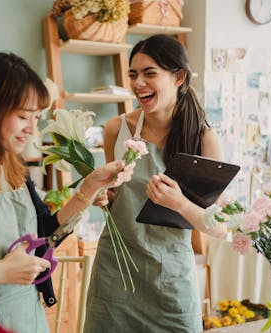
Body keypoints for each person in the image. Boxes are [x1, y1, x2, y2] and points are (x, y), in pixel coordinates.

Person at [0, 52, 132, 332]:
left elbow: (44, 235)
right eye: (23, 116)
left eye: (37, 116)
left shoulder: (13, 165)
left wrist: (90, 186)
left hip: (27, 320)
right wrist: (0, 271)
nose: (32, 128)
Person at [84, 34, 227, 333]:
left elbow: (220, 227)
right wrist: (101, 196)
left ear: (179, 77)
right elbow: (114, 197)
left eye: (150, 73)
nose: (138, 83)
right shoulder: (116, 129)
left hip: (171, 282)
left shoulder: (202, 139)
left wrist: (179, 203)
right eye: (133, 74)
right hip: (116, 277)